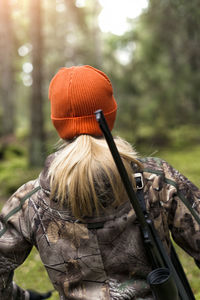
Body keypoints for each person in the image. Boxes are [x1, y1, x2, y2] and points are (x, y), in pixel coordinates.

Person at [0, 65, 199, 300]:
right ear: (110, 113)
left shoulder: (30, 201)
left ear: (58, 123)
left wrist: (22, 297)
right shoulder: (155, 179)